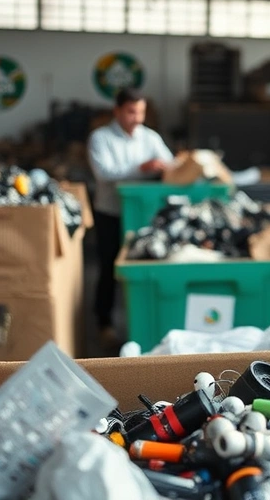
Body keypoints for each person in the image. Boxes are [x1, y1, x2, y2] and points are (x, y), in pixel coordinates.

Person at [88, 88, 173, 347]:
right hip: (111, 214)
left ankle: (146, 324)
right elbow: (104, 173)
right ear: (118, 111)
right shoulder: (100, 138)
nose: (137, 117)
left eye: (141, 112)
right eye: (131, 111)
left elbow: (170, 165)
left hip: (144, 218)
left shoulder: (150, 138)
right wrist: (141, 168)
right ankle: (105, 323)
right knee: (109, 268)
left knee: (146, 267)